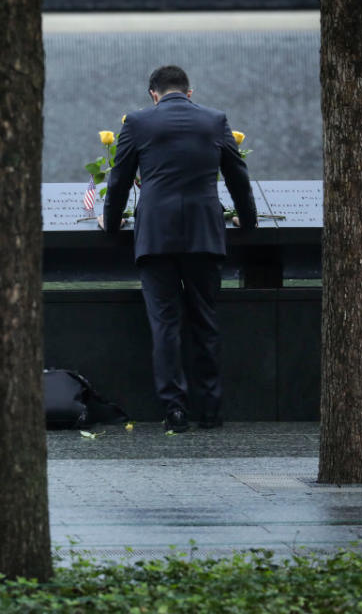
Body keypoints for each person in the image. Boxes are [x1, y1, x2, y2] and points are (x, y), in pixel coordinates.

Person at [98, 65, 257, 432]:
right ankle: (212, 411)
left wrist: (110, 222)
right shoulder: (215, 121)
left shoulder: (137, 122)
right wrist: (246, 222)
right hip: (204, 234)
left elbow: (119, 178)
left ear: (153, 93)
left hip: (156, 236)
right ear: (189, 92)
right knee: (205, 321)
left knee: (165, 323)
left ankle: (175, 410)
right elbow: (238, 177)